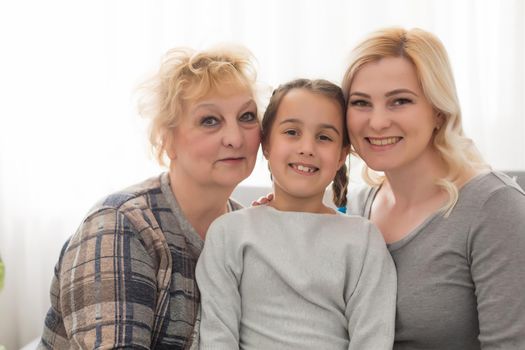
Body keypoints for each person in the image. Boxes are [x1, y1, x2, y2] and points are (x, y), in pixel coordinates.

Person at [38, 45, 261, 349]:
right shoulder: (120, 225)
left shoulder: (248, 232)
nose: (235, 138)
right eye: (210, 120)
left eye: (247, 116)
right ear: (167, 140)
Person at [343, 27, 525, 349]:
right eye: (361, 103)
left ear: (438, 111)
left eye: (400, 101)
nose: (378, 122)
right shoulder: (356, 206)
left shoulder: (495, 207)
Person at [196, 79, 396, 349]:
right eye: (291, 132)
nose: (307, 148)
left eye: (324, 137)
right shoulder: (228, 233)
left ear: (341, 156)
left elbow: (373, 339)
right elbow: (218, 336)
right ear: (266, 144)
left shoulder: (363, 239)